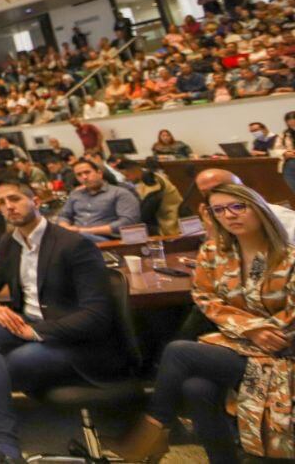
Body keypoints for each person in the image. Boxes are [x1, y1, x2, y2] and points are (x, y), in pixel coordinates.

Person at [113, 182, 294, 462]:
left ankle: (155, 429)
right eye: (219, 210)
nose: (229, 215)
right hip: (240, 344)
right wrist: (250, 328)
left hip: (283, 354)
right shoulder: (214, 251)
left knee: (178, 351)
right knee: (196, 387)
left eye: (238, 206)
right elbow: (204, 294)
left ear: (258, 208)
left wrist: (258, 331)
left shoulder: (287, 257)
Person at [0, 177, 125, 464]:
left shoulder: (74, 245)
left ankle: (4, 453)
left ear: (35, 200)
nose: (8, 207)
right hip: (30, 325)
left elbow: (96, 317)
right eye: (2, 202)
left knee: (2, 365)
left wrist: (36, 332)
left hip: (75, 341)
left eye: (15, 199)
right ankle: (8, 454)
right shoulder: (10, 241)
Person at [57, 158, 140, 242]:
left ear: (99, 173)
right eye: (79, 175)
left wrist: (83, 231)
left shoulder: (120, 193)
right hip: (76, 236)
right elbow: (64, 215)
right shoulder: (75, 194)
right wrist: (65, 228)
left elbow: (127, 222)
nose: (84, 177)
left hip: (107, 240)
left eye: (87, 172)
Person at [133, 158, 182, 237]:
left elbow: (145, 214)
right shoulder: (157, 177)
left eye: (127, 176)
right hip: (169, 217)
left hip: (168, 224)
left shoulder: (155, 183)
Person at [281, 110, 295, 196]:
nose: (293, 126)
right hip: (290, 163)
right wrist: (285, 153)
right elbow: (277, 149)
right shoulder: (286, 134)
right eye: (290, 125)